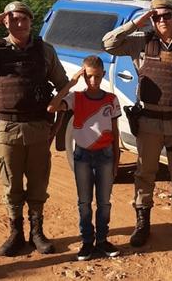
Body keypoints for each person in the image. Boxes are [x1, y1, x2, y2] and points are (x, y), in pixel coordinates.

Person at [102, 0, 172, 246]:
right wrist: (135, 23)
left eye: (166, 16)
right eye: (156, 16)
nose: (162, 20)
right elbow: (108, 43)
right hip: (149, 122)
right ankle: (142, 224)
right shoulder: (140, 42)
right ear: (150, 19)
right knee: (145, 173)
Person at [0, 1, 69, 256]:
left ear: (31, 21)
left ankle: (37, 232)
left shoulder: (45, 51)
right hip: (7, 127)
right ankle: (15, 232)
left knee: (38, 184)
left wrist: (58, 112)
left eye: (23, 19)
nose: (19, 23)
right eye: (12, 19)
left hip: (39, 127)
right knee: (11, 184)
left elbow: (64, 85)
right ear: (5, 21)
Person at [47, 55, 122, 261]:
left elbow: (115, 133)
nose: (93, 81)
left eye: (97, 77)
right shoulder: (75, 98)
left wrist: (116, 160)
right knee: (84, 202)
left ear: (103, 75)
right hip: (83, 155)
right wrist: (71, 82)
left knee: (104, 202)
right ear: (83, 76)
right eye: (88, 77)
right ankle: (87, 242)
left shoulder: (111, 100)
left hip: (105, 155)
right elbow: (52, 107)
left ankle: (103, 240)